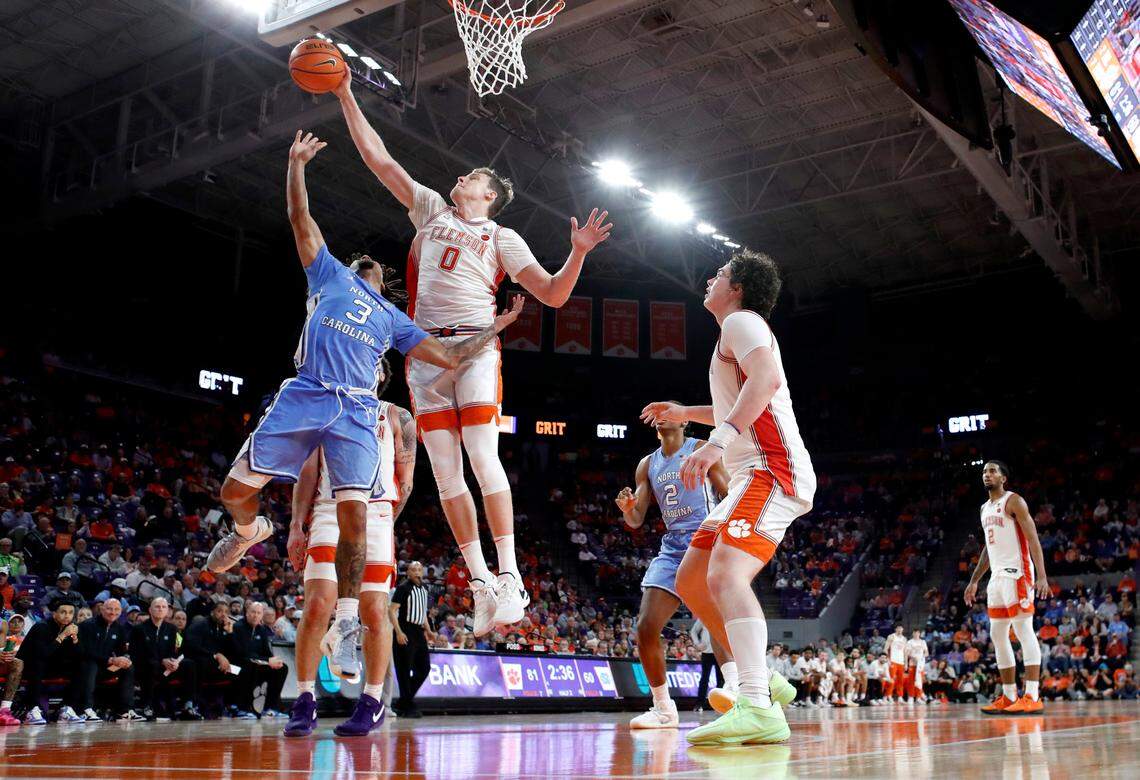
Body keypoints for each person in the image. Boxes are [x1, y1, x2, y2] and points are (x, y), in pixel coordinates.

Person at [205, 130, 524, 684]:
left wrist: (493, 329)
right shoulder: (327, 275)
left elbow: (447, 357)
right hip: (306, 392)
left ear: (383, 284)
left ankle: (347, 624)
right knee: (233, 493)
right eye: (358, 265)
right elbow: (300, 217)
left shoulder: (394, 320)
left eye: (371, 267)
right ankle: (250, 529)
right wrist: (296, 164)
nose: (363, 268)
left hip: (355, 410)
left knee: (355, 518)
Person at [333, 72, 613, 637]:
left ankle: (511, 575)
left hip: (476, 347)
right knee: (444, 472)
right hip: (425, 352)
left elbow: (555, 294)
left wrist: (578, 253)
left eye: (474, 177)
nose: (461, 176)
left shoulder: (504, 238)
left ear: (488, 195)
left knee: (484, 458)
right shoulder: (431, 211)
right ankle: (483, 583)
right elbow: (379, 158)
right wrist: (344, 94)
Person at [642, 251, 814, 746]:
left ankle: (757, 704)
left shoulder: (742, 321)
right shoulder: (733, 332)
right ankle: (765, 679)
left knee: (725, 573)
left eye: (719, 274)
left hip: (771, 467)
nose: (710, 278)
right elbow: (733, 402)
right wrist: (686, 412)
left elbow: (767, 383)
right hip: (749, 474)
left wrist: (716, 441)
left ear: (736, 287)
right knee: (692, 577)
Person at [285, 385, 415, 737]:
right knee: (316, 604)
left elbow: (406, 482)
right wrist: (297, 525)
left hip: (377, 516)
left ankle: (372, 702)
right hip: (329, 510)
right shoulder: (325, 409)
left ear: (380, 375)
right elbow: (307, 473)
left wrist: (384, 521)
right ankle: (304, 699)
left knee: (374, 611)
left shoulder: (397, 416)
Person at [615, 413, 730, 728]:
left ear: (683, 423)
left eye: (671, 413)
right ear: (655, 429)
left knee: (712, 619)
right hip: (673, 548)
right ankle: (664, 708)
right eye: (659, 416)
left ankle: (736, 690)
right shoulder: (647, 465)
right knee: (646, 626)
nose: (663, 417)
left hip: (705, 538)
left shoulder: (703, 448)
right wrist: (628, 510)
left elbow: (728, 492)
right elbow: (636, 519)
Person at [965, 460, 1050, 715]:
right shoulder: (984, 508)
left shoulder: (1014, 501)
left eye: (992, 471)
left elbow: (1033, 537)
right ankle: (1010, 695)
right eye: (984, 472)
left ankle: (1032, 695)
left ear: (1003, 478)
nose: (987, 475)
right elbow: (988, 550)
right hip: (997, 577)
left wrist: (1042, 575)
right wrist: (974, 580)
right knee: (997, 635)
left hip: (1019, 574)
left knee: (1024, 630)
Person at [130, 597, 201, 721]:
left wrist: (174, 662)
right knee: (152, 665)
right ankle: (147, 705)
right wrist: (162, 660)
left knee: (189, 664)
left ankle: (188, 705)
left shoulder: (171, 629)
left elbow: (171, 652)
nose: (160, 609)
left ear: (168, 611)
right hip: (145, 666)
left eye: (163, 607)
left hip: (165, 667)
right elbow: (137, 653)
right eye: (157, 607)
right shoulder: (139, 629)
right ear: (150, 610)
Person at [17, 599, 83, 724]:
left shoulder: (71, 628)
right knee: (39, 664)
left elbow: (79, 655)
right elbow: (42, 654)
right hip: (28, 668)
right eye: (63, 612)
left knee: (81, 666)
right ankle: (32, 709)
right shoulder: (41, 627)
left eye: (70, 613)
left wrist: (75, 640)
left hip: (51, 666)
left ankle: (66, 708)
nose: (67, 615)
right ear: (54, 614)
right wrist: (62, 636)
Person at [76, 598, 141, 722]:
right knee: (91, 664)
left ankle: (125, 710)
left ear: (121, 612)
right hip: (85, 667)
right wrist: (111, 660)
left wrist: (125, 659)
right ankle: (86, 709)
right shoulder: (88, 625)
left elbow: (122, 651)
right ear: (102, 609)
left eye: (116, 610)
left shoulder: (119, 628)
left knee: (128, 667)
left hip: (106, 668)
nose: (113, 612)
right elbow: (86, 652)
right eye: (109, 609)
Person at [390, 562, 435, 718]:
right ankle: (407, 705)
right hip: (405, 629)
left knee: (424, 668)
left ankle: (403, 701)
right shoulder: (403, 588)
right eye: (413, 570)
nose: (417, 572)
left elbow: (423, 613)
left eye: (419, 569)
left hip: (418, 632)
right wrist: (399, 632)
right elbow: (392, 610)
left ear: (422, 572)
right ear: (408, 573)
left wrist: (428, 630)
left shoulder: (424, 589)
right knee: (404, 670)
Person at [231, 601, 288, 718]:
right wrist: (267, 660)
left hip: (256, 663)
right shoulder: (238, 627)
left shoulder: (261, 630)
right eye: (253, 612)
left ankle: (271, 708)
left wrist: (274, 660)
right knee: (250, 666)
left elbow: (266, 652)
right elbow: (243, 653)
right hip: (234, 665)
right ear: (247, 613)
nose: (255, 615)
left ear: (262, 616)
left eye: (258, 613)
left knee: (282, 668)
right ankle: (243, 708)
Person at [183, 602, 238, 717]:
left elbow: (234, 651)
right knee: (200, 664)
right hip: (200, 663)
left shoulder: (223, 627)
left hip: (218, 666)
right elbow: (191, 645)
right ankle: (194, 704)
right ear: (212, 612)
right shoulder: (201, 624)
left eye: (226, 612)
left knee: (238, 670)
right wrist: (215, 655)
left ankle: (231, 705)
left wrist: (230, 633)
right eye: (220, 611)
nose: (223, 615)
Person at [690, 619, 723, 711]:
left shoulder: (721, 615)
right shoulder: (703, 616)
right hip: (706, 652)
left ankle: (720, 705)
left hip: (720, 652)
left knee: (720, 679)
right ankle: (699, 703)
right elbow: (693, 631)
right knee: (704, 678)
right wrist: (697, 643)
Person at [0, 613, 24, 725]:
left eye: (19, 621)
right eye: (13, 621)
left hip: (10, 665)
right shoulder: (7, 635)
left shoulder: (2, 623)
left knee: (18, 663)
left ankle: (4, 710)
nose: (16, 624)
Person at [883, 626, 908, 703]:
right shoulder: (891, 636)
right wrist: (888, 660)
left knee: (900, 681)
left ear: (903, 629)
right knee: (891, 680)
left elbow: (905, 652)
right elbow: (885, 649)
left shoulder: (904, 639)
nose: (900, 629)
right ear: (895, 629)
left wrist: (906, 663)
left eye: (901, 628)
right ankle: (887, 696)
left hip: (901, 662)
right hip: (893, 660)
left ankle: (900, 697)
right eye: (898, 628)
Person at [905, 629, 929, 703]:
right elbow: (907, 653)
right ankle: (911, 697)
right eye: (914, 633)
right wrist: (913, 657)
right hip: (912, 664)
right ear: (913, 634)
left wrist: (922, 656)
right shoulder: (910, 642)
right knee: (911, 681)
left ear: (919, 633)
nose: (916, 634)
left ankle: (918, 697)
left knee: (919, 681)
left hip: (920, 665)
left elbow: (927, 652)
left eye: (917, 633)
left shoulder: (923, 642)